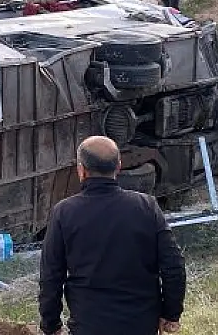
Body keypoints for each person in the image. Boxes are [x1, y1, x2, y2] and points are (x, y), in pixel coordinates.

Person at [39, 136, 186, 335]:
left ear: (81, 170)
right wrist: (170, 314)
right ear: (118, 166)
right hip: (141, 324)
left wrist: (51, 325)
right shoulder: (146, 207)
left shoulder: (64, 213)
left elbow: (51, 277)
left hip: (88, 326)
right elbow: (174, 266)